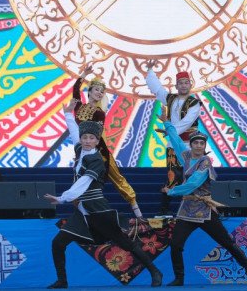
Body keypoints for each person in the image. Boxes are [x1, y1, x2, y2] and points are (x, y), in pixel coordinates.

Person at [44, 101, 163, 288]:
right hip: (82, 211)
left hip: (98, 209)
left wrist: (62, 198)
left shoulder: (97, 160)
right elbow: (75, 133)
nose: (87, 140)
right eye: (85, 137)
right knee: (58, 243)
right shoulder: (80, 150)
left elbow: (83, 183)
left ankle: (155, 271)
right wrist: (68, 114)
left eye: (91, 138)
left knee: (125, 243)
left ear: (97, 141)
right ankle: (62, 281)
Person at [161, 121, 247, 286]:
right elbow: (177, 143)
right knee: (176, 244)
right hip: (187, 210)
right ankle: (179, 278)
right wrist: (168, 125)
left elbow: (193, 183)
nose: (199, 146)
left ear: (204, 146)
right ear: (191, 145)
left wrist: (171, 191)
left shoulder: (205, 162)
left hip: (204, 210)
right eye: (196, 143)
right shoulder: (186, 157)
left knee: (228, 243)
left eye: (202, 143)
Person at [71, 67, 142, 218]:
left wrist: (90, 150)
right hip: (82, 150)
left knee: (117, 179)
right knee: (79, 181)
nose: (99, 93)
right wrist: (84, 74)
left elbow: (96, 133)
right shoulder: (78, 106)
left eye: (102, 92)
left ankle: (138, 212)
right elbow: (75, 89)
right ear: (89, 91)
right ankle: (83, 216)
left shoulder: (99, 113)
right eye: (97, 90)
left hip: (99, 150)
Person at [145, 61, 201, 215]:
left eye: (186, 82)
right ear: (176, 86)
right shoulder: (171, 99)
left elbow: (187, 122)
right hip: (173, 145)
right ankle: (165, 210)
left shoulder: (194, 103)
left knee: (192, 176)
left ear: (190, 85)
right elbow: (157, 89)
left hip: (190, 145)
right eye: (180, 83)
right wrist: (150, 70)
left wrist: (169, 129)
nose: (183, 85)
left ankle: (195, 209)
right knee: (172, 175)